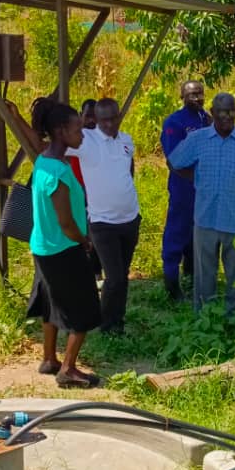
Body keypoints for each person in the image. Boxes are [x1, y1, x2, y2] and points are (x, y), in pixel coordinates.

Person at [26, 98, 102, 388]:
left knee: (50, 303)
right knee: (83, 309)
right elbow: (67, 223)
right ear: (60, 132)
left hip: (43, 247)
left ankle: (49, 358)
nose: (82, 135)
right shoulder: (57, 173)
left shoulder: (44, 162)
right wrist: (84, 242)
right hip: (63, 249)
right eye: (77, 130)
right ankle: (68, 369)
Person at [168, 92, 235, 315]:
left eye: (231, 113)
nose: (227, 118)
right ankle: (205, 318)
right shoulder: (198, 139)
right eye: (222, 113)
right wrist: (195, 176)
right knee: (205, 275)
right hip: (206, 219)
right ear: (212, 113)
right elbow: (173, 162)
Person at [67, 97, 140, 335]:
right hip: (102, 223)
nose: (109, 124)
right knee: (114, 278)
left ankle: (118, 320)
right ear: (96, 120)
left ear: (119, 116)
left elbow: (129, 171)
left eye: (113, 118)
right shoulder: (86, 141)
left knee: (123, 276)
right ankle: (107, 326)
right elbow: (49, 146)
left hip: (130, 219)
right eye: (104, 120)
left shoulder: (126, 140)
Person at [160, 80, 211, 301]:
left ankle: (192, 278)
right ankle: (172, 284)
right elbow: (173, 161)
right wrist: (196, 178)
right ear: (182, 96)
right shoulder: (175, 122)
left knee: (197, 235)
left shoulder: (207, 120)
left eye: (199, 94)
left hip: (205, 190)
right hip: (184, 189)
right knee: (177, 233)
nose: (196, 98)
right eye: (191, 94)